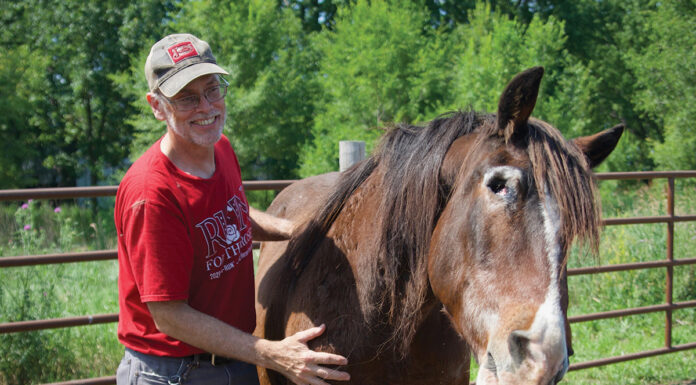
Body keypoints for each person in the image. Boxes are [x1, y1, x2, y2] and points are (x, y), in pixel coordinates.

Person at [114, 33, 350, 385]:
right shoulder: (152, 194)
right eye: (186, 98)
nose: (207, 107)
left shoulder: (220, 149)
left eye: (212, 89)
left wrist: (295, 230)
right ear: (156, 106)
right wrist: (273, 354)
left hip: (235, 359)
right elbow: (169, 316)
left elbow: (231, 214)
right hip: (174, 372)